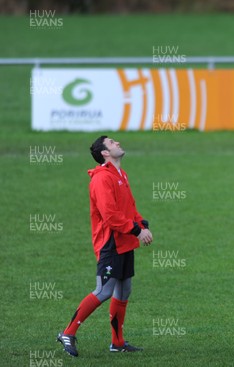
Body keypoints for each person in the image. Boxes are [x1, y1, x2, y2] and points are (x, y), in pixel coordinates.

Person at [57, 136, 153, 357]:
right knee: (104, 290)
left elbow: (130, 208)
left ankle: (117, 343)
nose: (117, 143)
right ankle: (67, 333)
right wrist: (138, 230)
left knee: (124, 289)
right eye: (112, 142)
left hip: (125, 241)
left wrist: (142, 225)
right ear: (105, 153)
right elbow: (110, 216)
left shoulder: (121, 174)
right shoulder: (101, 179)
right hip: (110, 243)